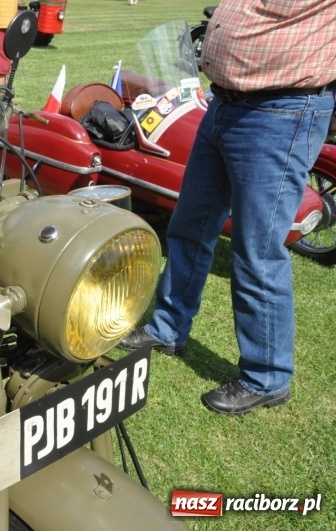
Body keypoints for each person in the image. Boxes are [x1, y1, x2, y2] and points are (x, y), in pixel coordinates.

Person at [119, 1, 336, 415]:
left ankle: (267, 377)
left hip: (281, 111)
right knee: (188, 227)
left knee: (257, 250)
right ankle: (168, 329)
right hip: (222, 106)